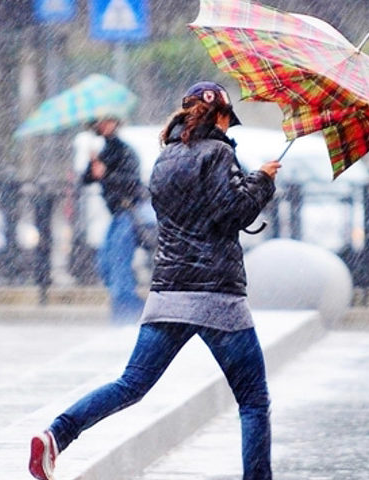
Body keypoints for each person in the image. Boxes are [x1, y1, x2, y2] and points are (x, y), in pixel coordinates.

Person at [29, 81, 281, 480]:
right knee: (252, 401)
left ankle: (58, 433)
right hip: (217, 297)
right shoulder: (218, 154)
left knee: (131, 384)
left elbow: (193, 213)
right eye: (228, 120)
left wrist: (246, 181)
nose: (230, 129)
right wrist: (262, 180)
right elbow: (231, 214)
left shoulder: (165, 158)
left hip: (168, 294)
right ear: (218, 116)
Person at [83, 115, 147, 323]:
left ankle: (127, 312)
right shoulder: (105, 152)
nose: (105, 125)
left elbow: (130, 181)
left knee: (119, 264)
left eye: (109, 121)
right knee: (106, 264)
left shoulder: (124, 150)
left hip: (128, 212)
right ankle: (130, 306)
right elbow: (87, 178)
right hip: (117, 215)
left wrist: (105, 174)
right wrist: (93, 165)